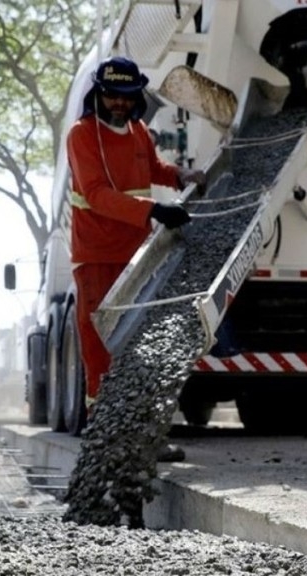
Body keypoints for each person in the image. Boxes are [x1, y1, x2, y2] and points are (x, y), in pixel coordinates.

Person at [67, 56, 205, 413]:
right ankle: (102, 423)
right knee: (98, 339)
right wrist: (155, 210)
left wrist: (181, 177)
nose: (120, 103)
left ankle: (135, 420)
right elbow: (96, 195)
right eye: (112, 95)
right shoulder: (82, 136)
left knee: (136, 340)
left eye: (127, 96)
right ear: (99, 94)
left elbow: (152, 167)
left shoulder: (138, 132)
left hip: (137, 255)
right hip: (97, 256)